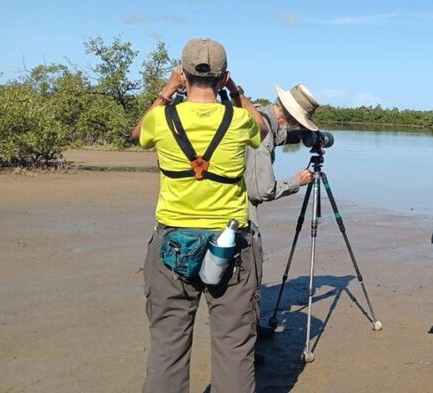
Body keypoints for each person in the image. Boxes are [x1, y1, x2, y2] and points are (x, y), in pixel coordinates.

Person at [131, 38, 268, 393]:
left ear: (183, 74)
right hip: (231, 245)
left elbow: (137, 134)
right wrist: (237, 92)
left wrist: (166, 91)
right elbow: (263, 129)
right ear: (223, 77)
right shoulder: (239, 120)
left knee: (168, 345)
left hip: (172, 243)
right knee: (235, 346)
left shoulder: (162, 118)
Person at [247, 85, 315, 342]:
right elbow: (261, 191)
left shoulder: (260, 114)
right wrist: (296, 181)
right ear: (292, 117)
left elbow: (280, 137)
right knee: (249, 276)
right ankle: (246, 341)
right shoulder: (262, 129)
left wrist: (307, 137)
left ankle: (251, 327)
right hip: (240, 214)